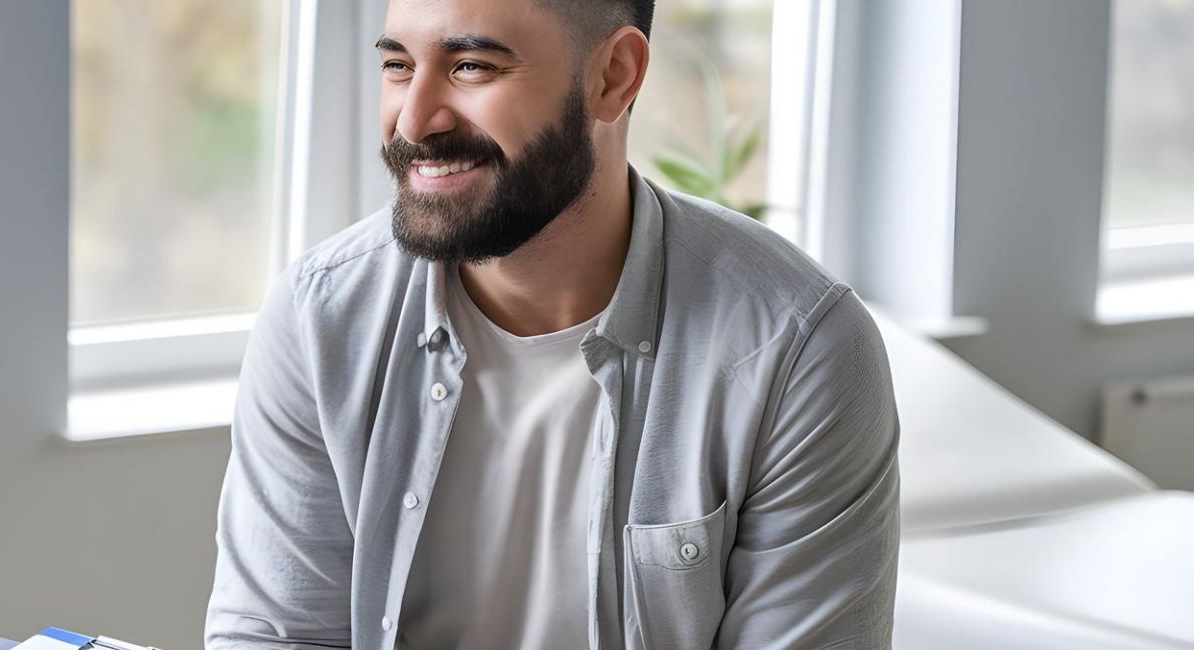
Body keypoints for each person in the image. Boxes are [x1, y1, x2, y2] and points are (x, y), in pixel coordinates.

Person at [205, 0, 900, 647]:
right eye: (398, 67)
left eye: (471, 66)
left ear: (613, 76)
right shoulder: (321, 318)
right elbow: (277, 633)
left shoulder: (797, 348)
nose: (414, 121)